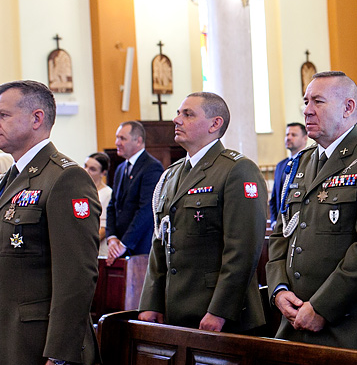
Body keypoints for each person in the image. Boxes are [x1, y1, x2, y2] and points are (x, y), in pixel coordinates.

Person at [267, 71, 357, 352]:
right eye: (306, 101)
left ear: (348, 108)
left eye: (318, 102)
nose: (307, 110)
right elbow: (283, 233)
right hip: (294, 323)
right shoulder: (300, 163)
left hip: (353, 329)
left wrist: (321, 307)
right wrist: (279, 290)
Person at [0, 80, 100, 365]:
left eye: (3, 115)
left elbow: (77, 276)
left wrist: (60, 357)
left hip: (38, 347)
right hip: (2, 338)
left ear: (36, 118)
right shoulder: (9, 178)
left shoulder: (65, 178)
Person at [139, 93, 267, 333]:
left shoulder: (236, 170)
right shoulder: (172, 174)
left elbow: (242, 250)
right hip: (176, 309)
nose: (177, 120)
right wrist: (151, 302)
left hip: (220, 315)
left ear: (215, 124)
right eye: (178, 113)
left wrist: (219, 311)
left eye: (188, 114)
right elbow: (160, 241)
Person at [105, 121, 163, 265]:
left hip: (140, 249)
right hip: (119, 248)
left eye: (122, 138)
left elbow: (146, 210)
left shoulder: (152, 167)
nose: (117, 142)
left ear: (138, 141)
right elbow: (112, 206)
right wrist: (112, 238)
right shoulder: (120, 168)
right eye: (117, 137)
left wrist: (124, 244)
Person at [269, 122, 309, 223]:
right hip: (281, 224)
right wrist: (274, 221)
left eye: (294, 135)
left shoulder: (310, 163)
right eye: (287, 134)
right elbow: (274, 198)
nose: (289, 138)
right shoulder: (280, 165)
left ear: (305, 138)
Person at [84, 152, 112, 256]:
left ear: (103, 173)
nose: (87, 171)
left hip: (97, 250)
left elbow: (104, 228)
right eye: (85, 166)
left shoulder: (107, 193)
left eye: (92, 169)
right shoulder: (81, 191)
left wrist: (86, 245)